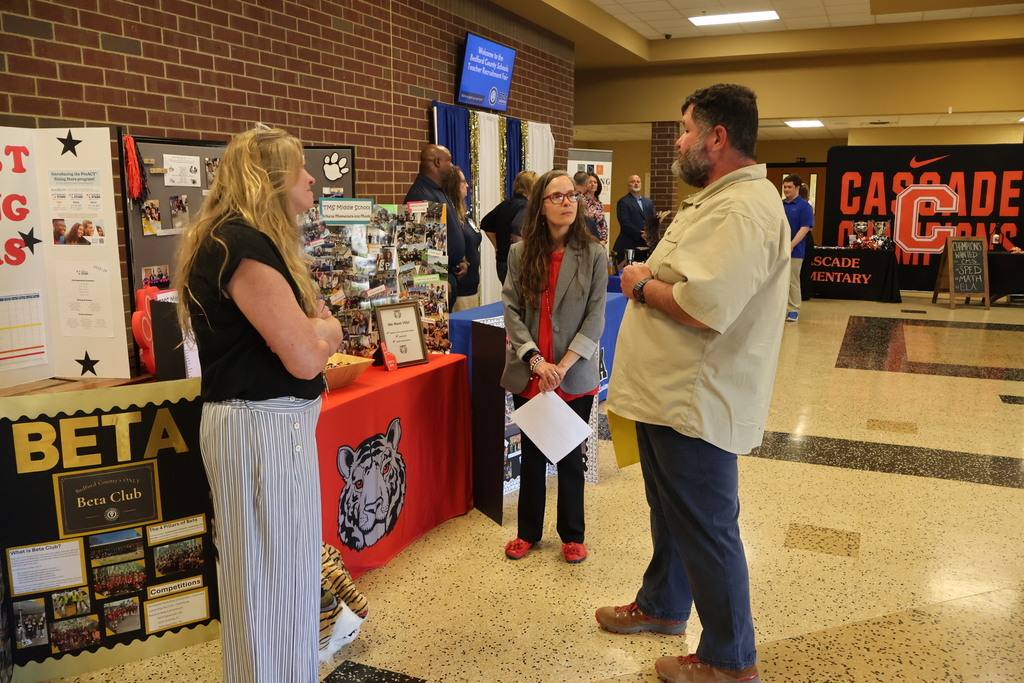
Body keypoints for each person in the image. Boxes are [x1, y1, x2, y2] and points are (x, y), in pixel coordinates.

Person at [599, 84, 789, 683]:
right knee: (672, 513)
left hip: (694, 401)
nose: (678, 141)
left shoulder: (744, 207)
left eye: (685, 130)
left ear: (717, 137)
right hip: (665, 395)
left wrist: (638, 284)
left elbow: (704, 304)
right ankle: (661, 606)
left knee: (707, 527)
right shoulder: (716, 199)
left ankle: (730, 659)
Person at [173, 127, 343, 683]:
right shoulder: (240, 243)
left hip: (265, 428)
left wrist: (316, 329)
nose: (312, 178)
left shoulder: (235, 239)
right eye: (300, 169)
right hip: (259, 429)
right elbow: (304, 355)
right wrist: (328, 332)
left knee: (278, 581)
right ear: (272, 180)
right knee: (269, 587)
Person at [501, 169, 607, 565]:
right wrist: (536, 360)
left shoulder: (594, 254)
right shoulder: (520, 253)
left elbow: (596, 317)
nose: (567, 201)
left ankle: (572, 534)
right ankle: (528, 531)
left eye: (571, 196)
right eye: (557, 196)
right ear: (541, 206)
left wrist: (561, 365)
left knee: (568, 457)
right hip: (530, 372)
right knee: (531, 455)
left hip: (572, 373)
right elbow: (511, 311)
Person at [404, 144, 465, 311]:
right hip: (438, 278)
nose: (452, 166)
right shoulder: (421, 195)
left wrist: (461, 260)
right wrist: (437, 280)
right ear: (438, 162)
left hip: (449, 272)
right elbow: (419, 245)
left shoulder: (437, 190)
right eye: (450, 161)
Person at [481, 170, 537, 284]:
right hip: (516, 264)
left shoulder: (505, 204)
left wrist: (496, 245)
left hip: (501, 262)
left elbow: (485, 223)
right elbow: (517, 230)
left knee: (509, 298)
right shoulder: (526, 207)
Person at [442, 165, 482, 311]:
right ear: (453, 186)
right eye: (463, 181)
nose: (467, 185)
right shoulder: (448, 215)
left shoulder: (465, 214)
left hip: (472, 287)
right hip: (460, 290)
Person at [782, 174, 813, 322]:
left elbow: (804, 228)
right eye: (785, 187)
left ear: (797, 188)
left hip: (795, 250)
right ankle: (780, 308)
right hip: (778, 250)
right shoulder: (780, 205)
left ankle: (793, 309)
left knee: (792, 280)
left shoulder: (804, 206)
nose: (786, 190)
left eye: (789, 187)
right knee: (778, 281)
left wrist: (791, 244)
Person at [614, 174, 656, 265]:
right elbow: (625, 222)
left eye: (638, 182)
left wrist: (650, 233)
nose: (636, 184)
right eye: (633, 182)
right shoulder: (623, 202)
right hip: (629, 244)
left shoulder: (648, 202)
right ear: (628, 185)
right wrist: (640, 234)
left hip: (645, 245)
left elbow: (653, 220)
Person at [573, 171, 604, 242]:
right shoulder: (579, 199)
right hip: (583, 237)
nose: (593, 184)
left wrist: (603, 240)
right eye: (590, 182)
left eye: (595, 182)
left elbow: (603, 223)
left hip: (597, 239)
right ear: (587, 184)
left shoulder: (599, 203)